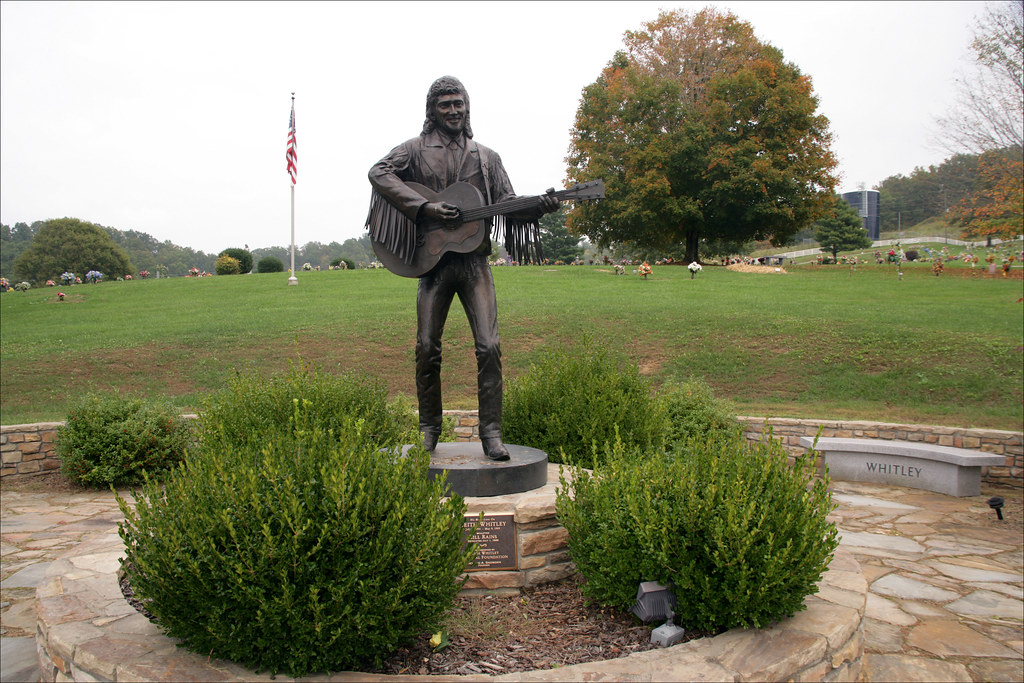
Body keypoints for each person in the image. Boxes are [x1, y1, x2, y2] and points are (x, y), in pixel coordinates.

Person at [366, 76, 558, 461]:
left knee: (489, 346)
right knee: (426, 347)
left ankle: (491, 433)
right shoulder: (413, 151)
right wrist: (424, 208)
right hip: (433, 264)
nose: (453, 111)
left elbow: (506, 202)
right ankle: (428, 429)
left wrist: (539, 206)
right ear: (432, 111)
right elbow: (378, 172)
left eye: (459, 104)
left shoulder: (487, 158)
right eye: (445, 105)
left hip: (474, 265)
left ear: (467, 108)